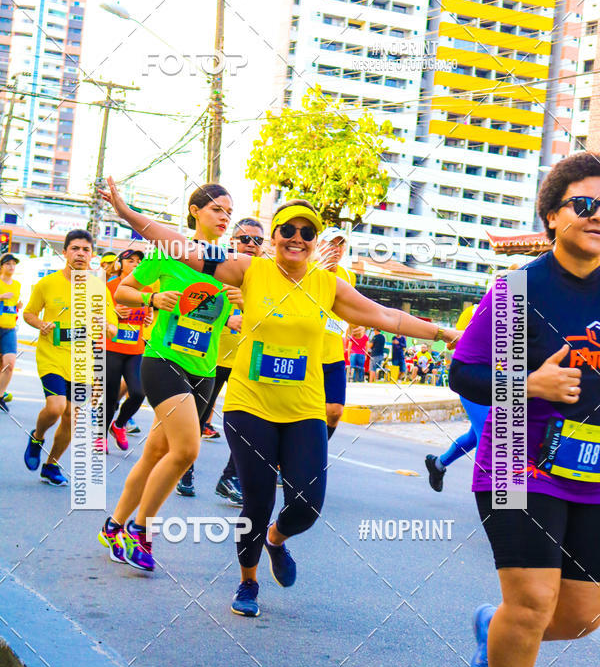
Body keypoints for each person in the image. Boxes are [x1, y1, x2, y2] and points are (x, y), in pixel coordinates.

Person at [102, 185, 460, 615]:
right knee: (249, 496)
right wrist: (126, 211)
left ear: (315, 241)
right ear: (273, 236)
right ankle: (246, 582)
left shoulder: (327, 285)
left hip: (303, 408)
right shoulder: (248, 271)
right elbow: (180, 247)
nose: (296, 237)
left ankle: (276, 539)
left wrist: (443, 333)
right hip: (247, 405)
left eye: (306, 232)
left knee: (306, 506)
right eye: (286, 229)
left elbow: (386, 315)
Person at [449, 151, 600, 667]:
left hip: (592, 468)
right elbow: (463, 373)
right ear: (551, 217)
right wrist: (528, 386)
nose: (596, 217)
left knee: (581, 614)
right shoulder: (520, 290)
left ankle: (496, 627)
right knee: (536, 600)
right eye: (584, 205)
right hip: (515, 458)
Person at [96, 182, 233, 571]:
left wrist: (241, 309)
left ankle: (114, 524)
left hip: (204, 371)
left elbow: (224, 322)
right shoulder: (168, 254)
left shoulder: (231, 267)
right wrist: (152, 299)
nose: (224, 218)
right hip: (162, 362)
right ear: (195, 211)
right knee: (187, 451)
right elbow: (123, 290)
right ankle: (139, 531)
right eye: (216, 210)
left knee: (157, 451)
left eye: (228, 212)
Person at [176, 218, 265, 501]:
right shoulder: (216, 267)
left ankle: (230, 478)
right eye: (245, 239)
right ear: (232, 242)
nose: (251, 245)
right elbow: (196, 305)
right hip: (211, 354)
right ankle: (184, 468)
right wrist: (229, 316)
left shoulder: (266, 276)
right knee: (198, 418)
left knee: (249, 422)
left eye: (258, 241)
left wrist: (248, 302)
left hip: (251, 359)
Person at [23, 230, 117, 486]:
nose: (80, 254)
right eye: (75, 248)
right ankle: (37, 436)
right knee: (55, 408)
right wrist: (41, 324)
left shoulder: (99, 288)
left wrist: (106, 326)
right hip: (52, 355)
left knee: (71, 417)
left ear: (92, 255)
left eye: (86, 250)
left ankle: (51, 465)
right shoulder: (47, 284)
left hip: (83, 363)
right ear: (64, 252)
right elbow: (29, 314)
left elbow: (113, 326)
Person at [425, 302, 489, 492]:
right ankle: (490, 493)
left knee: (475, 436)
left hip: (503, 382)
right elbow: (454, 344)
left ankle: (437, 464)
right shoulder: (474, 311)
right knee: (488, 433)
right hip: (474, 378)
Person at [102, 249, 152, 453]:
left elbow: (148, 313)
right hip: (112, 347)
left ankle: (119, 424)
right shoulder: (109, 287)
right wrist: (113, 313)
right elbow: (98, 315)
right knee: (110, 395)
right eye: (130, 260)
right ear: (120, 264)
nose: (136, 263)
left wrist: (147, 318)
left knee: (139, 392)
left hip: (136, 349)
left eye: (139, 261)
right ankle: (100, 435)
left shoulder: (146, 288)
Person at [317, 226, 356, 438]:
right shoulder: (308, 269)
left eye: (341, 244)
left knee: (334, 411)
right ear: (319, 245)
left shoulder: (348, 276)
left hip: (334, 355)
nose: (337, 249)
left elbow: (351, 312)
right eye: (332, 243)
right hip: (307, 353)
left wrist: (356, 325)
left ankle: (315, 451)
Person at [0, 252, 22, 412]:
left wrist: (17, 306)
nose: (11, 266)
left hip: (9, 328)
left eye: (14, 264)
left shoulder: (17, 285)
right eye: (8, 263)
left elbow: (11, 306)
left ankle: (0, 396)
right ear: (2, 266)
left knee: (9, 363)